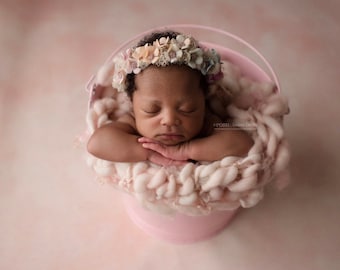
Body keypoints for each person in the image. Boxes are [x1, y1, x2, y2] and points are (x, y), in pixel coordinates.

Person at [87, 31, 253, 166]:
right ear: (132, 103)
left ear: (204, 99)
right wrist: (150, 152)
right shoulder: (131, 122)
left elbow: (242, 143)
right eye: (152, 110)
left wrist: (185, 150)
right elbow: (96, 144)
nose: (169, 120)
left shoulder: (207, 123)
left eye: (187, 109)